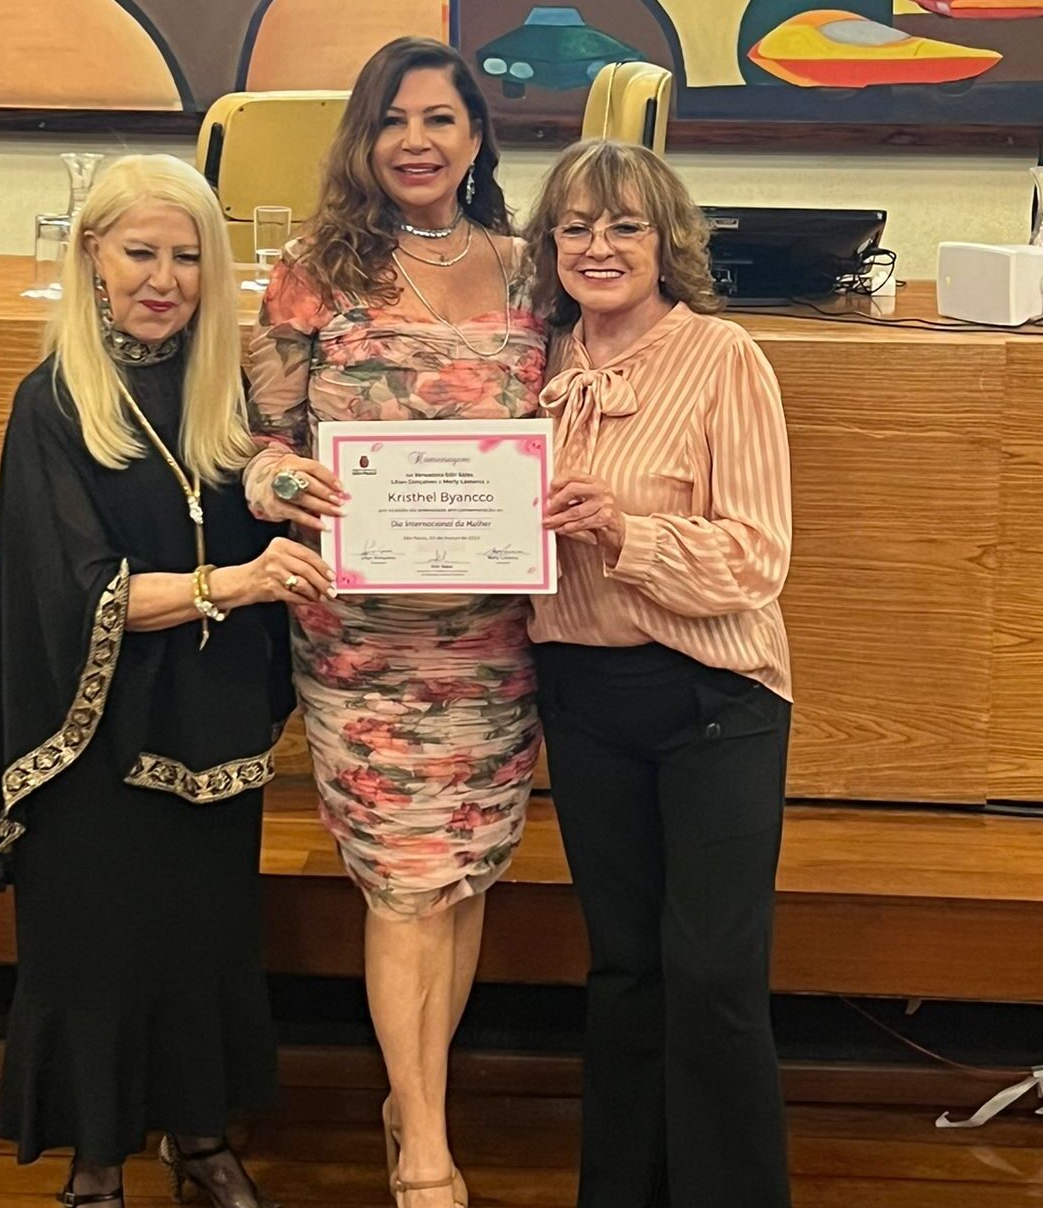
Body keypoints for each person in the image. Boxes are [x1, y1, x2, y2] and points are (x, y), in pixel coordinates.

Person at [0, 153, 332, 1208]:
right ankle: (96, 1162)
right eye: (140, 253)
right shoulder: (53, 403)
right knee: (99, 949)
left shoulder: (229, 397)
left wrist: (302, 502)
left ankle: (201, 1136)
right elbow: (75, 591)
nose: (164, 279)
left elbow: (265, 509)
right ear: (93, 257)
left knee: (204, 941)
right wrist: (235, 583)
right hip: (95, 737)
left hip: (212, 719)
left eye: (187, 256)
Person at [244, 37, 547, 1208]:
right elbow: (257, 442)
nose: (415, 142)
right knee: (406, 881)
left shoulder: (533, 271)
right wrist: (280, 483)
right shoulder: (312, 272)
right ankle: (424, 1140)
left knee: (463, 873)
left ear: (476, 137)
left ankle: (413, 1099)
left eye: (439, 119)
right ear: (362, 139)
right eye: (392, 120)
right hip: (361, 637)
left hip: (493, 635)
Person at [524, 139, 794, 1208]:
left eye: (625, 225)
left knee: (713, 975)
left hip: (713, 700)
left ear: (666, 240)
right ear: (550, 244)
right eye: (576, 226)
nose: (599, 246)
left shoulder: (724, 358)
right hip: (583, 699)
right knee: (626, 969)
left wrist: (624, 531)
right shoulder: (531, 364)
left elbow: (756, 559)